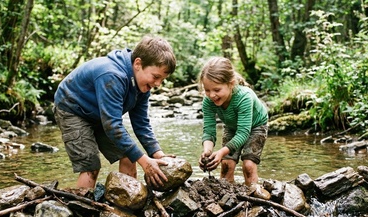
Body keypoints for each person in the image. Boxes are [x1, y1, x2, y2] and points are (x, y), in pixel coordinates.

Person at [54, 35, 177, 192]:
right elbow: (112, 125)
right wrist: (145, 161)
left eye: (162, 79)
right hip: (72, 109)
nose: (158, 84)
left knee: (129, 155)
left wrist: (157, 154)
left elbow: (141, 123)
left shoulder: (143, 86)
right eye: (156, 77)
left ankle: (131, 200)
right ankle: (81, 206)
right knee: (91, 165)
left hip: (100, 114)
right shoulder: (111, 75)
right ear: (138, 64)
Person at [198, 57, 269, 186]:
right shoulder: (208, 101)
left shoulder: (244, 97)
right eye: (207, 90)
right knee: (226, 165)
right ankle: (227, 197)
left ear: (231, 84)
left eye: (217, 90)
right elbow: (209, 130)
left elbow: (243, 133)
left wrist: (221, 152)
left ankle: (252, 197)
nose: (212, 95)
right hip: (232, 126)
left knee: (248, 165)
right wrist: (207, 151)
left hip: (256, 126)